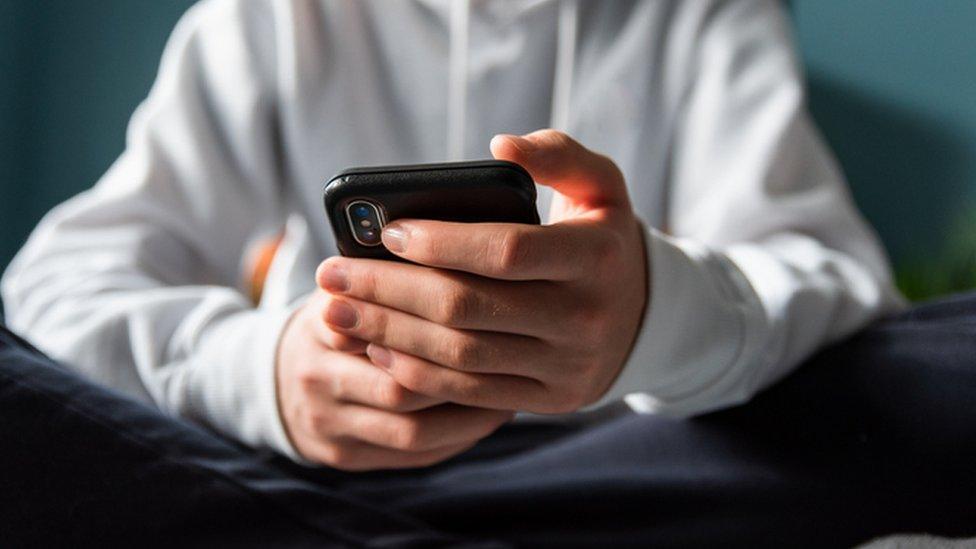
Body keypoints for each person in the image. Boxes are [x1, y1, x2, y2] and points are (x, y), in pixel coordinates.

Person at [2, 0, 975, 545]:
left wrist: (650, 316)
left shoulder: (700, 12)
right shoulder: (267, 18)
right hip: (326, 465)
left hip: (615, 470)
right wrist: (263, 375)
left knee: (945, 358)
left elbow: (832, 275)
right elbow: (58, 278)